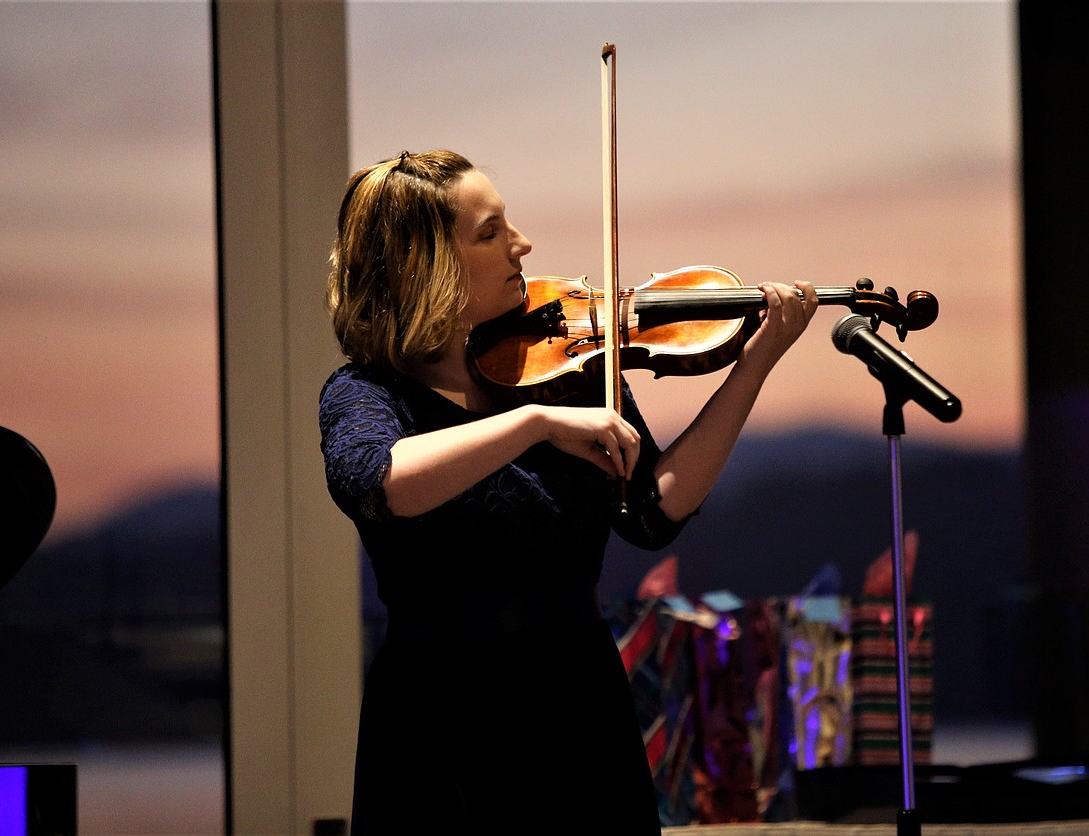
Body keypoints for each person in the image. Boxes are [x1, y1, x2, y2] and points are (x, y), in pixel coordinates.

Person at [318, 149, 818, 835]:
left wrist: (754, 365)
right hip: (440, 717)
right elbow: (382, 482)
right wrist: (532, 424)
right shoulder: (366, 395)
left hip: (580, 703)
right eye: (490, 232)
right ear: (421, 264)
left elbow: (653, 513)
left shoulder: (570, 370)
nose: (522, 244)